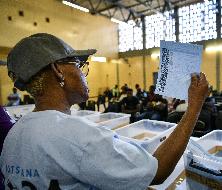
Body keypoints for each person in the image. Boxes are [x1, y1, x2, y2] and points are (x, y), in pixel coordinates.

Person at [0, 33, 209, 189]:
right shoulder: (77, 136)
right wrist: (194, 107)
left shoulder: (15, 134)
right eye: (79, 65)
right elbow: (158, 171)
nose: (84, 74)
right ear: (58, 70)